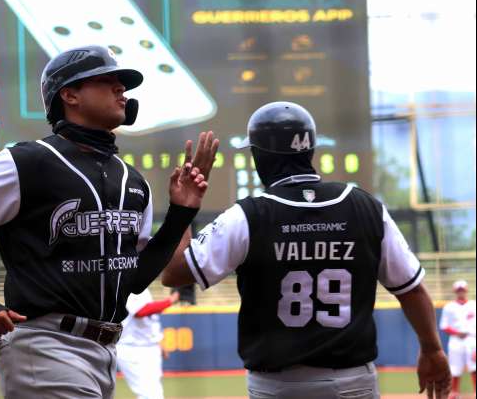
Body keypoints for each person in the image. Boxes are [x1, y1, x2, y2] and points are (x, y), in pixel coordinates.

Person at [0, 45, 219, 399]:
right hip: (44, 345)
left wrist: (182, 212)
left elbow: (134, 279)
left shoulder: (132, 181)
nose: (121, 90)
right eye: (106, 81)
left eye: (122, 84)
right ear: (69, 95)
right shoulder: (27, 161)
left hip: (104, 351)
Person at [162, 101, 452, 399]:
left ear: (259, 156)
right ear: (310, 150)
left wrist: (183, 207)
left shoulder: (249, 215)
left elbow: (174, 274)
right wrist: (432, 349)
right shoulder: (365, 207)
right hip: (354, 383)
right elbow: (411, 290)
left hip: (277, 388)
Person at [117, 289, 180, 399]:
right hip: (130, 348)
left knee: (155, 393)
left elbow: (149, 321)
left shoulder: (144, 290)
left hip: (150, 347)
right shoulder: (128, 285)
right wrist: (171, 300)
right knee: (149, 394)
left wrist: (159, 342)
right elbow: (140, 311)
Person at [439, 280, 476, 399]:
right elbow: (444, 326)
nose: (461, 292)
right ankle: (455, 393)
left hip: (472, 339)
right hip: (456, 340)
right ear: (455, 291)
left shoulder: (473, 305)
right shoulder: (449, 307)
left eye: (462, 290)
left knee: (474, 366)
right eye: (458, 290)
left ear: (466, 290)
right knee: (455, 367)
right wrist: (457, 332)